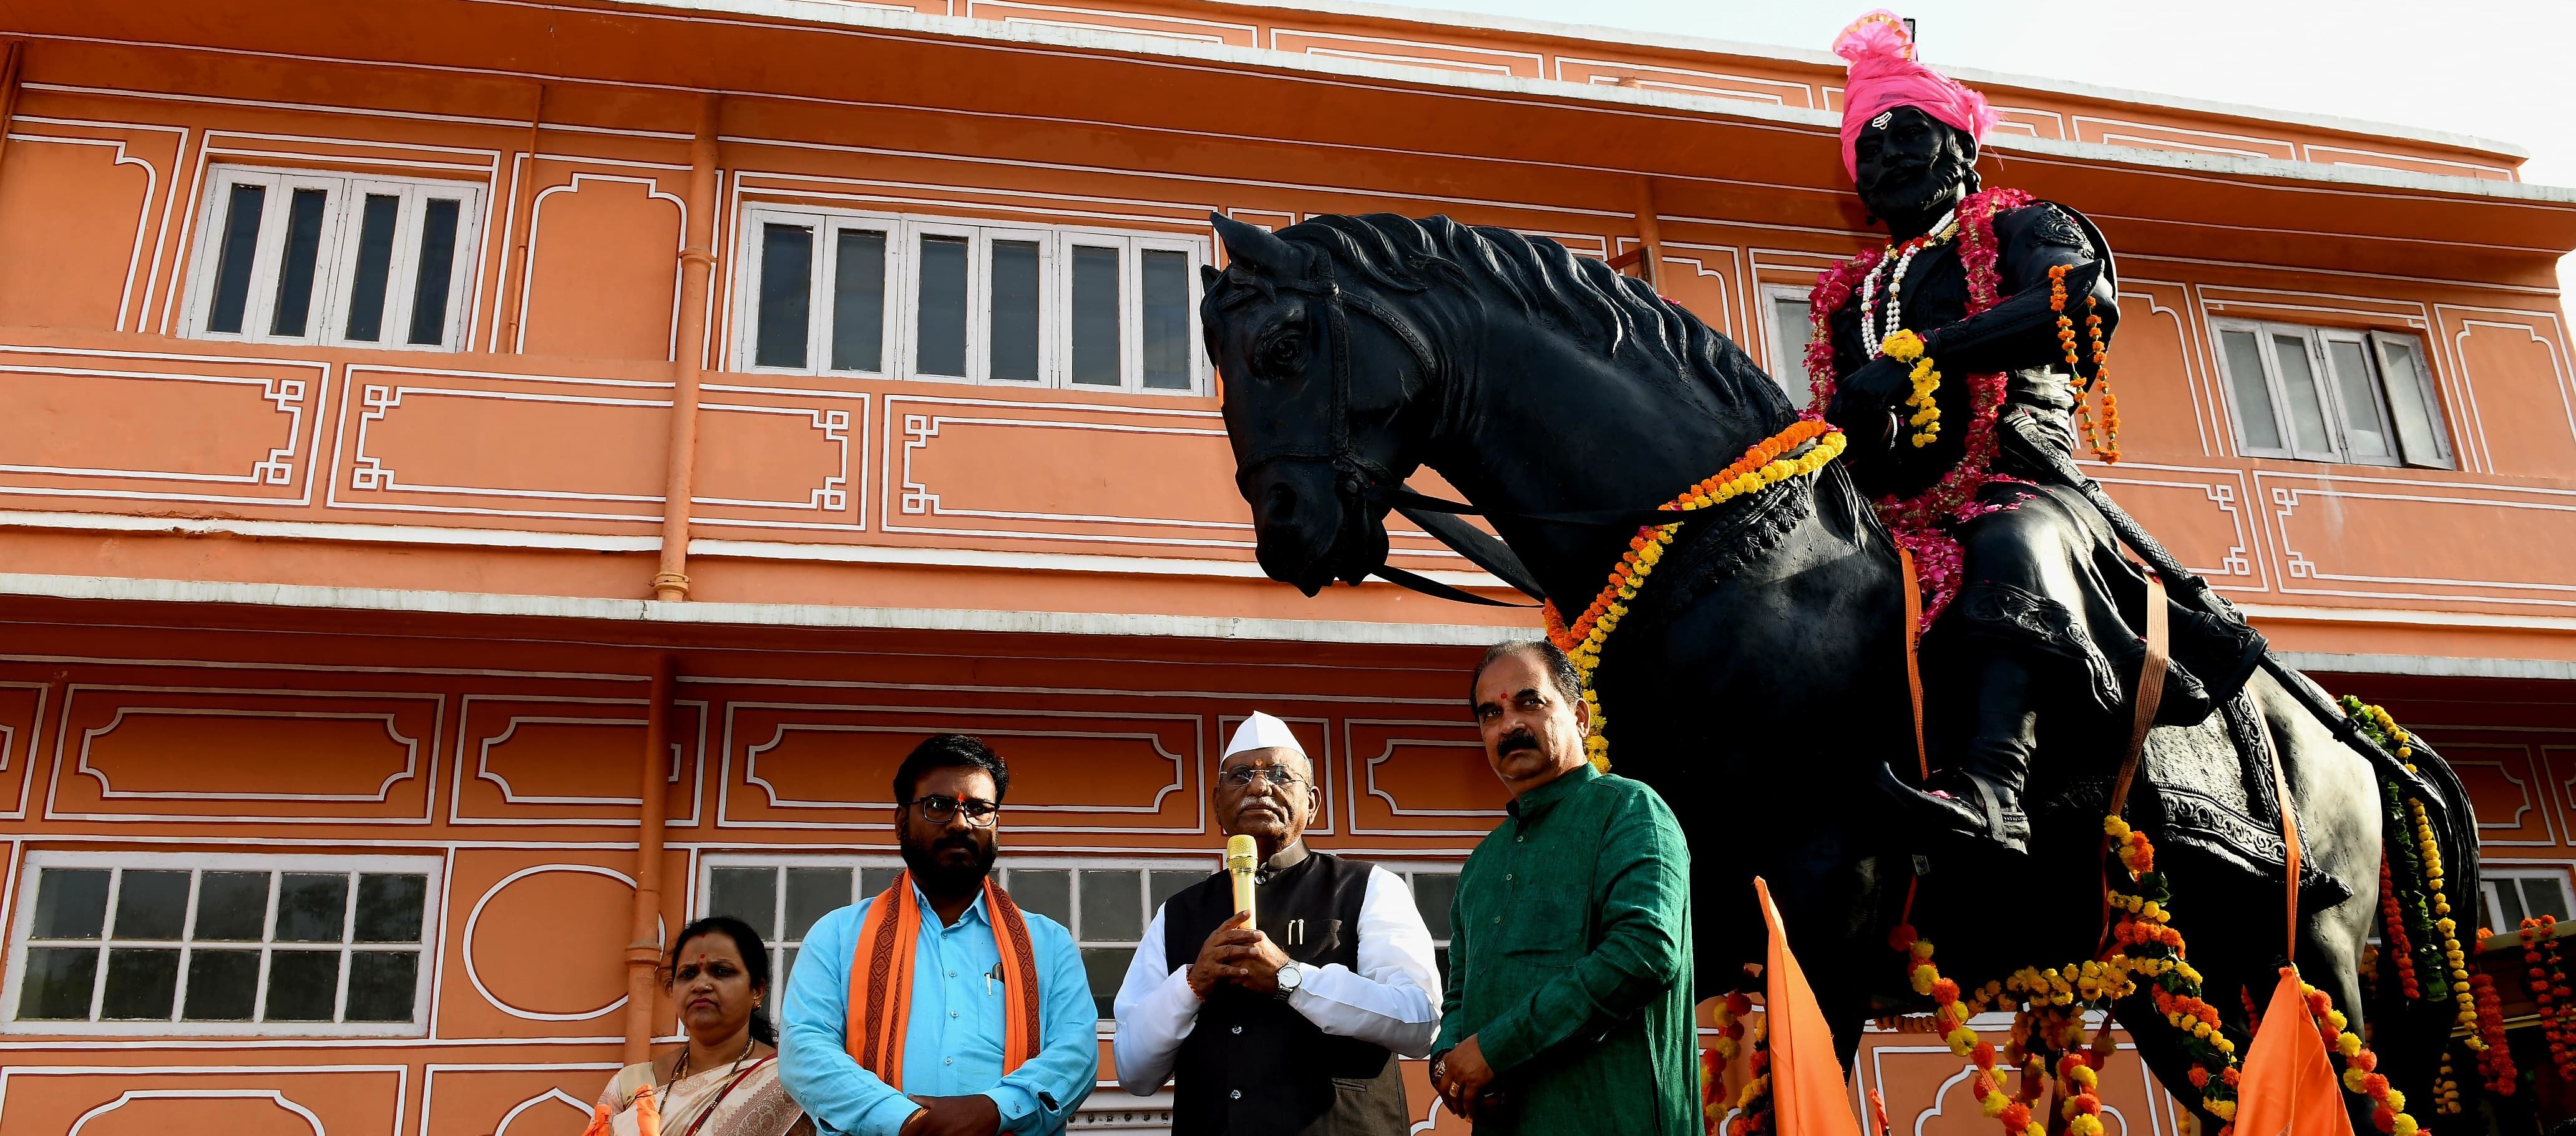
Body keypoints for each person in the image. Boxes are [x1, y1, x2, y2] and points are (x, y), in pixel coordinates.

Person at [1812, 10, 2265, 854]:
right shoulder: (1849, 293)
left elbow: (2080, 303)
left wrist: (1928, 351)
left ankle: (1995, 786)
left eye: (1907, 132)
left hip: (2023, 480)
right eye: (1866, 146)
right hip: (1888, 508)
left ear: (1962, 150)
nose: (1886, 155)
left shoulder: (2024, 226)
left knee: (2009, 539)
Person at [1112, 711, 1442, 1135]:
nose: (1259, 786)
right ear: (1216, 804)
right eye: (1241, 774)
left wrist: (1291, 978)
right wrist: (1191, 984)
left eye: (1282, 774)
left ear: (1313, 802)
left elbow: (1420, 1020)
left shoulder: (1367, 888)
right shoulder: (1177, 913)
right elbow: (1134, 1072)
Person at [1428, 641, 1694, 1134]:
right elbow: (1459, 997)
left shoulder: (1630, 811)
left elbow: (1645, 951)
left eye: (1529, 701)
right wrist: (1448, 1068)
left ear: (1580, 717)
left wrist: (1494, 1049)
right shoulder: (1481, 865)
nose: (1509, 725)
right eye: (1491, 713)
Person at [779, 734, 1098, 1136]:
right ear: (900, 821)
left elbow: (1077, 1054)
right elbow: (805, 1053)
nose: (960, 823)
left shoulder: (1048, 944)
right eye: (938, 806)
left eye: (979, 809)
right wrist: (905, 1121)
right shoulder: (839, 935)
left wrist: (992, 1111)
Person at [585, 916, 813, 1136]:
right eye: (688, 974)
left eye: (722, 971)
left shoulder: (787, 1082)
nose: (701, 984)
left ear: (757, 991)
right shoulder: (629, 1085)